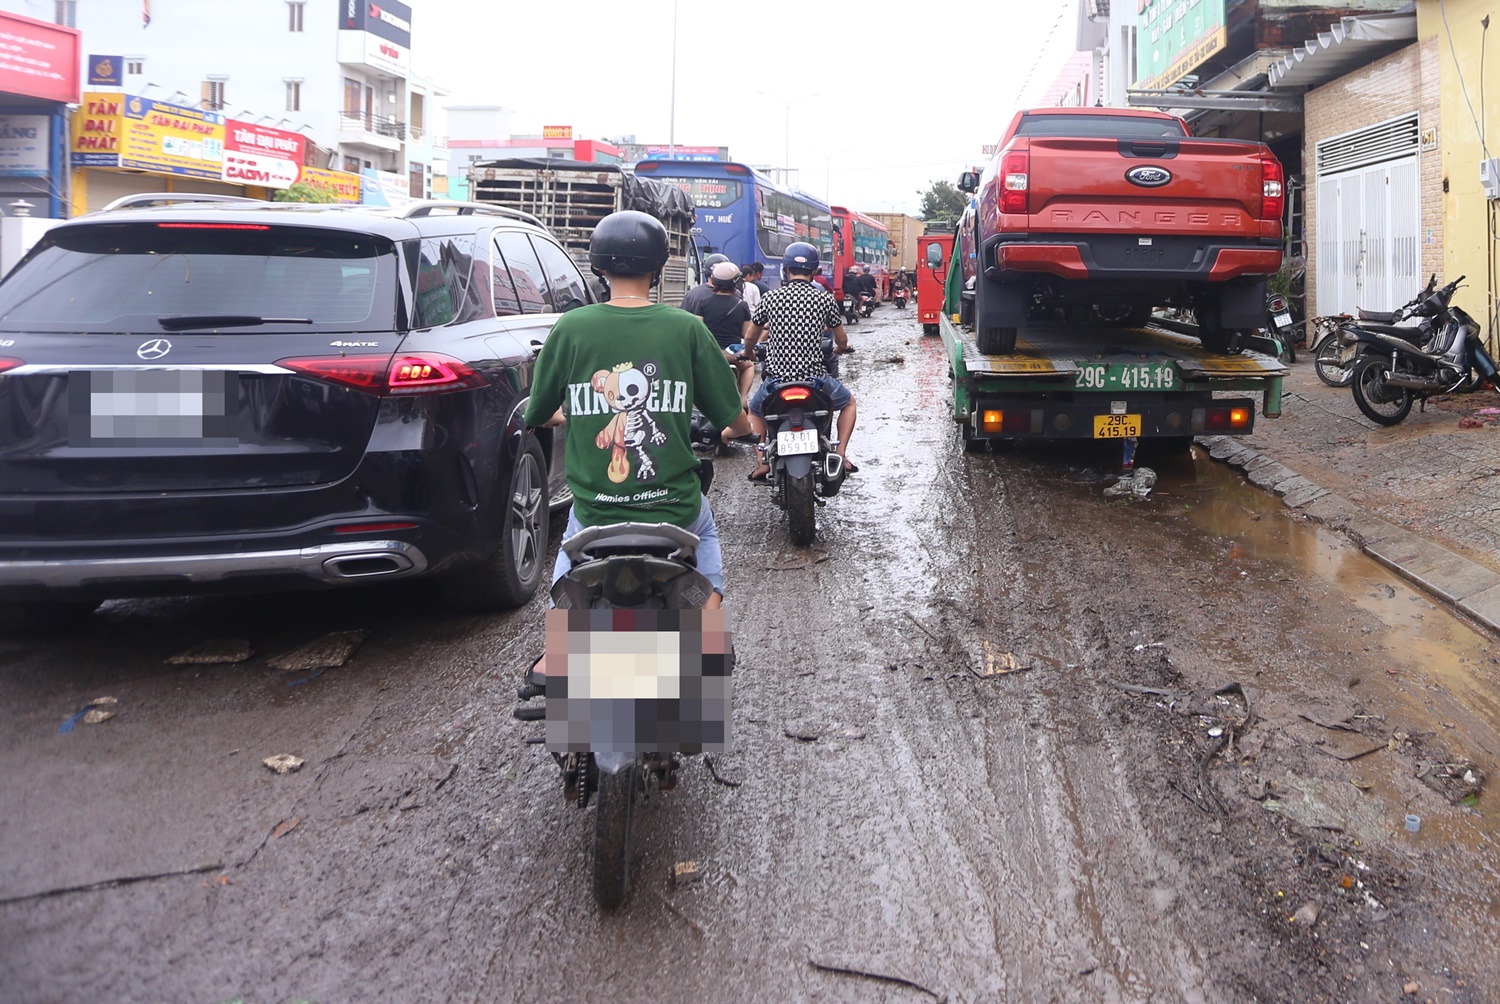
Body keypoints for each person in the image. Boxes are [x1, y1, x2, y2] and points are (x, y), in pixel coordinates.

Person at [525, 211, 753, 610]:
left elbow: (538, 411)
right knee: (709, 538)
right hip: (674, 506)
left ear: (597, 266)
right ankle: (708, 620)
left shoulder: (570, 327)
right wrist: (742, 426)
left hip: (596, 509)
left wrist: (564, 416)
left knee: (568, 547)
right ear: (661, 266)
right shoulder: (686, 329)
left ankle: (557, 646)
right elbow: (731, 418)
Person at [741, 241, 857, 481]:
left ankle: (761, 462)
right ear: (814, 272)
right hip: (815, 381)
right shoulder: (824, 300)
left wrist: (749, 353)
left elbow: (751, 335)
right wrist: (842, 347)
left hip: (776, 382)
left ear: (785, 269)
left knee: (754, 411)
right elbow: (841, 337)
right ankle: (841, 454)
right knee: (848, 404)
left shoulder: (771, 298)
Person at [686, 260, 756, 404]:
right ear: (736, 283)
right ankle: (742, 399)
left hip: (709, 355)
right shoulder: (741, 305)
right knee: (749, 366)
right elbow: (746, 334)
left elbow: (699, 330)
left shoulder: (703, 302)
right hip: (732, 356)